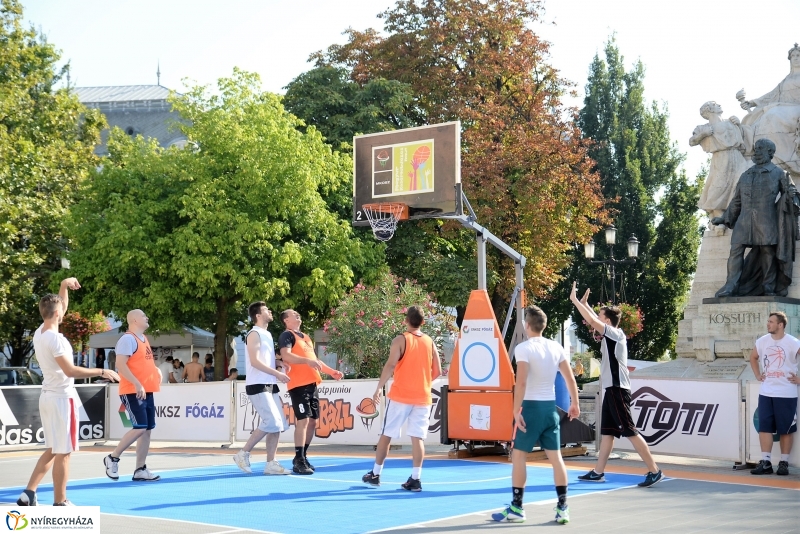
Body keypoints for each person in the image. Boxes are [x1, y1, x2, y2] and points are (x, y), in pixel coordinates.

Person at [17, 278, 120, 507]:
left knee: (54, 448)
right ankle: (60, 501)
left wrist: (63, 286)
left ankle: (29, 493)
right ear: (57, 314)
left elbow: (60, 305)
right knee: (64, 452)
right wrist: (103, 370)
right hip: (62, 399)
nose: (64, 311)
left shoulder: (40, 332)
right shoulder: (58, 340)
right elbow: (70, 370)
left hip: (47, 396)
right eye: (61, 310)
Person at [492, 305, 580, 524]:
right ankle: (562, 507)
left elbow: (520, 382)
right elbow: (570, 379)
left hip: (531, 408)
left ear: (527, 325)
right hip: (550, 409)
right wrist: (574, 403)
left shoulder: (524, 348)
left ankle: (517, 507)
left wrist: (515, 410)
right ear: (545, 325)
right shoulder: (555, 347)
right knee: (556, 458)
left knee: (519, 456)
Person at [570, 283, 663, 487]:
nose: (598, 319)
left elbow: (592, 320)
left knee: (630, 431)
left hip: (618, 389)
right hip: (612, 389)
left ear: (608, 321)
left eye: (601, 316)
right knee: (608, 433)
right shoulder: (611, 335)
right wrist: (584, 304)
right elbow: (593, 319)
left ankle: (654, 470)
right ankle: (598, 472)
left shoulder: (615, 333)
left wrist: (576, 301)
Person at [362, 306, 441, 491]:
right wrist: (422, 382)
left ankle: (375, 473)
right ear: (423, 322)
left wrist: (378, 388)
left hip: (401, 395)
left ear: (406, 320)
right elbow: (437, 370)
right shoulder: (430, 341)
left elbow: (390, 366)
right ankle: (416, 478)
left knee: (386, 434)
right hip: (422, 396)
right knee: (417, 438)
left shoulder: (401, 339)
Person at [711, 138, 798, 297]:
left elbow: (793, 194)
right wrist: (724, 218)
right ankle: (730, 287)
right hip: (744, 221)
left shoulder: (780, 173)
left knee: (767, 252)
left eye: (760, 149)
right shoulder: (746, 174)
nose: (756, 152)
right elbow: (737, 200)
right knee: (735, 251)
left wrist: (791, 195)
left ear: (770, 153)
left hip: (767, 220)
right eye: (756, 148)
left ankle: (768, 287)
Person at [277, 309, 344, 475]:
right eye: (293, 314)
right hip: (298, 385)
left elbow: (315, 360)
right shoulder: (287, 335)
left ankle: (303, 455)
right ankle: (298, 458)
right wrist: (307, 361)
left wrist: (331, 371)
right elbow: (286, 356)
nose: (298, 314)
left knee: (313, 422)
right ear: (286, 320)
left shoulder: (305, 337)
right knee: (303, 421)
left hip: (312, 384)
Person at [232, 302, 291, 475]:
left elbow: (264, 360)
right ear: (258, 315)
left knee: (278, 424)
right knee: (272, 422)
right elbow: (255, 362)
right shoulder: (253, 333)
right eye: (266, 310)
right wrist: (277, 373)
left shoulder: (266, 333)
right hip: (257, 384)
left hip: (269, 384)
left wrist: (277, 363)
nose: (270, 311)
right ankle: (243, 453)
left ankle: (271, 463)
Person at [103, 310, 162, 482]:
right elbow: (120, 364)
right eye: (144, 316)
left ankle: (140, 469)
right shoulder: (127, 339)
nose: (147, 317)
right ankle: (112, 457)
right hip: (132, 391)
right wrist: (137, 383)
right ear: (135, 320)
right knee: (141, 427)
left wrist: (155, 369)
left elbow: (141, 362)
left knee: (147, 430)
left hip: (145, 390)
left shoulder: (143, 339)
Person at [749, 311, 800, 476]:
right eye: (768, 321)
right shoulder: (763, 341)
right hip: (766, 392)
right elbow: (753, 357)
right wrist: (758, 375)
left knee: (786, 429)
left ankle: (784, 463)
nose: (768, 324)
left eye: (771, 322)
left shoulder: (793, 342)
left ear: (780, 325)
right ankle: (766, 462)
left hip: (786, 392)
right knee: (764, 427)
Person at [688, 101, 750, 219]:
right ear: (709, 110)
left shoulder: (730, 121)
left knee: (741, 181)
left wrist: (740, 125)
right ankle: (717, 214)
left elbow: (745, 138)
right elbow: (691, 141)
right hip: (721, 157)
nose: (719, 105)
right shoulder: (704, 128)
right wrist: (703, 134)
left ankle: (736, 213)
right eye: (715, 104)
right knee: (719, 185)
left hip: (737, 156)